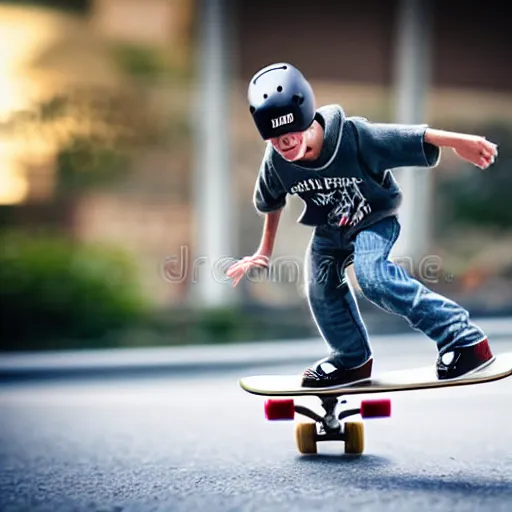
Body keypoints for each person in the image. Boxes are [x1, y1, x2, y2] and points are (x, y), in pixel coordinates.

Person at [226, 63, 498, 388]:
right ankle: (350, 359)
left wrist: (459, 141)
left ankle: (463, 339)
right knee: (319, 287)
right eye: (276, 140)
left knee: (373, 277)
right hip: (329, 231)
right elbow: (272, 201)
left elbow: (410, 135)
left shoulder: (354, 138)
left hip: (374, 220)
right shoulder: (276, 162)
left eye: (291, 136)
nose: (286, 147)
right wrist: (263, 251)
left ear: (308, 118)